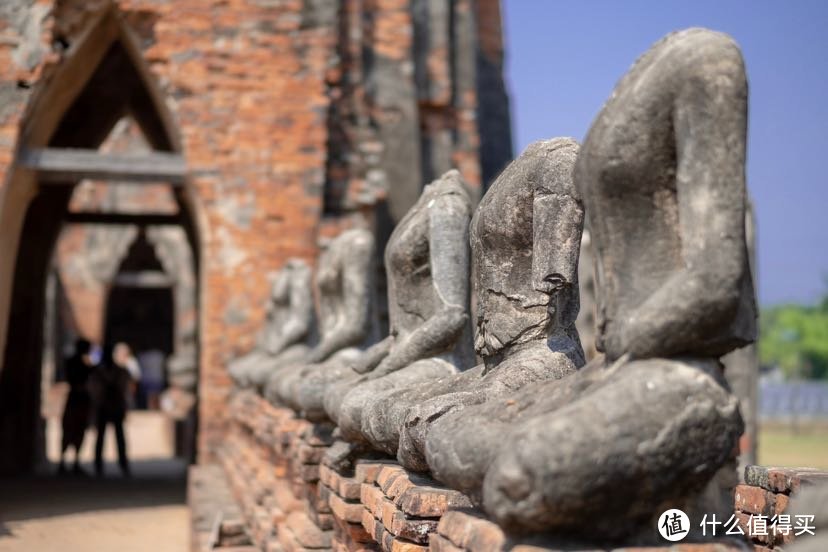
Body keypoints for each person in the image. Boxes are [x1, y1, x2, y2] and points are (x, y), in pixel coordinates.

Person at [90, 344, 132, 477]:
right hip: (109, 406)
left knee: (114, 437)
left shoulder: (117, 372)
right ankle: (103, 465)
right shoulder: (118, 372)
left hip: (111, 406)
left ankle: (117, 464)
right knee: (105, 437)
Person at [58, 338, 95, 475]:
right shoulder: (76, 364)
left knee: (77, 430)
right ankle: (66, 462)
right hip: (76, 400)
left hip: (79, 400)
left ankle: (73, 462)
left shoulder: (80, 364)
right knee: (70, 430)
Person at [114, 342, 141, 407]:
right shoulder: (114, 361)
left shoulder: (131, 361)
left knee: (129, 401)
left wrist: (133, 385)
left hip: (127, 386)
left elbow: (136, 375)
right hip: (115, 387)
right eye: (120, 352)